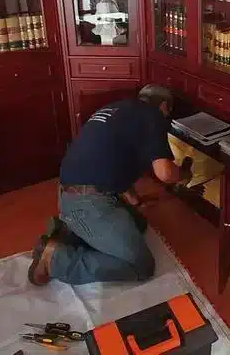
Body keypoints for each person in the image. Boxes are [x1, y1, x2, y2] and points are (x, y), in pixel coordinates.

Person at [28, 84, 193, 286]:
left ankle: (68, 233)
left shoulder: (116, 109)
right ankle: (56, 260)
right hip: (87, 201)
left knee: (139, 224)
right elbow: (165, 173)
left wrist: (135, 201)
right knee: (141, 265)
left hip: (72, 191)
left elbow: (114, 160)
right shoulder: (153, 116)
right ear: (164, 106)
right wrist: (183, 174)